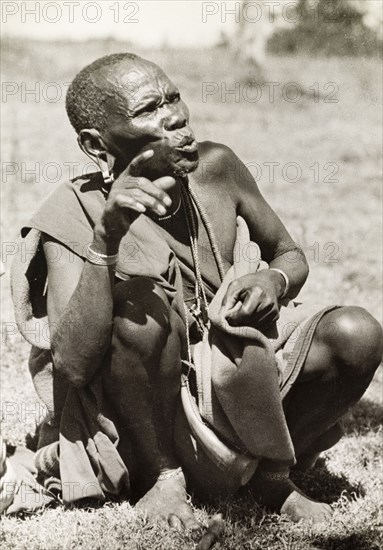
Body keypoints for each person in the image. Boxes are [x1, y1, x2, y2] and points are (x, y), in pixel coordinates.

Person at [13, 53, 382, 529]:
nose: (176, 117)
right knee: (138, 309)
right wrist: (107, 240)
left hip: (239, 376)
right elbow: (74, 364)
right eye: (148, 110)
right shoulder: (74, 210)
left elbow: (289, 254)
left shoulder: (217, 168)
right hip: (145, 411)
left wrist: (273, 279)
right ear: (96, 144)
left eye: (173, 98)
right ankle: (163, 478)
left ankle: (269, 474)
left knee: (356, 334)